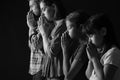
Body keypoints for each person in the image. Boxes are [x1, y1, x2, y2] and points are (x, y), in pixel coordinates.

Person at [82, 13, 120, 80]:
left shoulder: (113, 53)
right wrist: (91, 60)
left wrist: (94, 58)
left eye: (91, 36)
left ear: (103, 31)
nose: (89, 41)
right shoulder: (100, 52)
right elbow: (89, 76)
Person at [38, 0, 67, 80]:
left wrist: (44, 34)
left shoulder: (62, 25)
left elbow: (51, 53)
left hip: (57, 74)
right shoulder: (55, 26)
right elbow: (46, 52)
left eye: (44, 9)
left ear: (54, 7)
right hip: (51, 74)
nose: (42, 13)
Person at [61, 10, 89, 80]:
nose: (67, 31)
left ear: (81, 27)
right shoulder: (78, 44)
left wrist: (65, 50)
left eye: (69, 27)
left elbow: (68, 76)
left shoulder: (85, 47)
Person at [26, 0, 46, 80]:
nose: (30, 10)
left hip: (42, 67)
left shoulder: (44, 21)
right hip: (35, 67)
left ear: (39, 4)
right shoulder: (35, 23)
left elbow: (36, 45)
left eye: (32, 6)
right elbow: (30, 46)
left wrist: (31, 28)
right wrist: (32, 27)